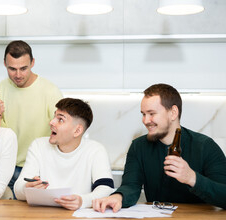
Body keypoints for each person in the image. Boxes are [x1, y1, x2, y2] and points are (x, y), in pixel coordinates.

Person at [93, 83, 226, 213]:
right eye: (143, 114)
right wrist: (118, 197)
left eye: (151, 113)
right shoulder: (138, 147)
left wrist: (192, 178)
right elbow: (130, 186)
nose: (145, 120)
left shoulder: (205, 146)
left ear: (173, 113)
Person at [14, 98, 114, 210]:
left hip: (78, 218)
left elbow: (107, 189)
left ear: (77, 131)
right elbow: (18, 189)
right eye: (54, 116)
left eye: (60, 119)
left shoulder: (95, 150)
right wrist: (26, 189)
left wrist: (82, 201)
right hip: (43, 215)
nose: (51, 122)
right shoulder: (38, 145)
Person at [0, 40, 63, 198]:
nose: (18, 75)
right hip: (8, 167)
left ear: (33, 63)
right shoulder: (2, 87)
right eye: (12, 69)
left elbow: (61, 130)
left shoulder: (50, 91)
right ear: (5, 64)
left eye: (23, 68)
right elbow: (2, 128)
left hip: (37, 169)